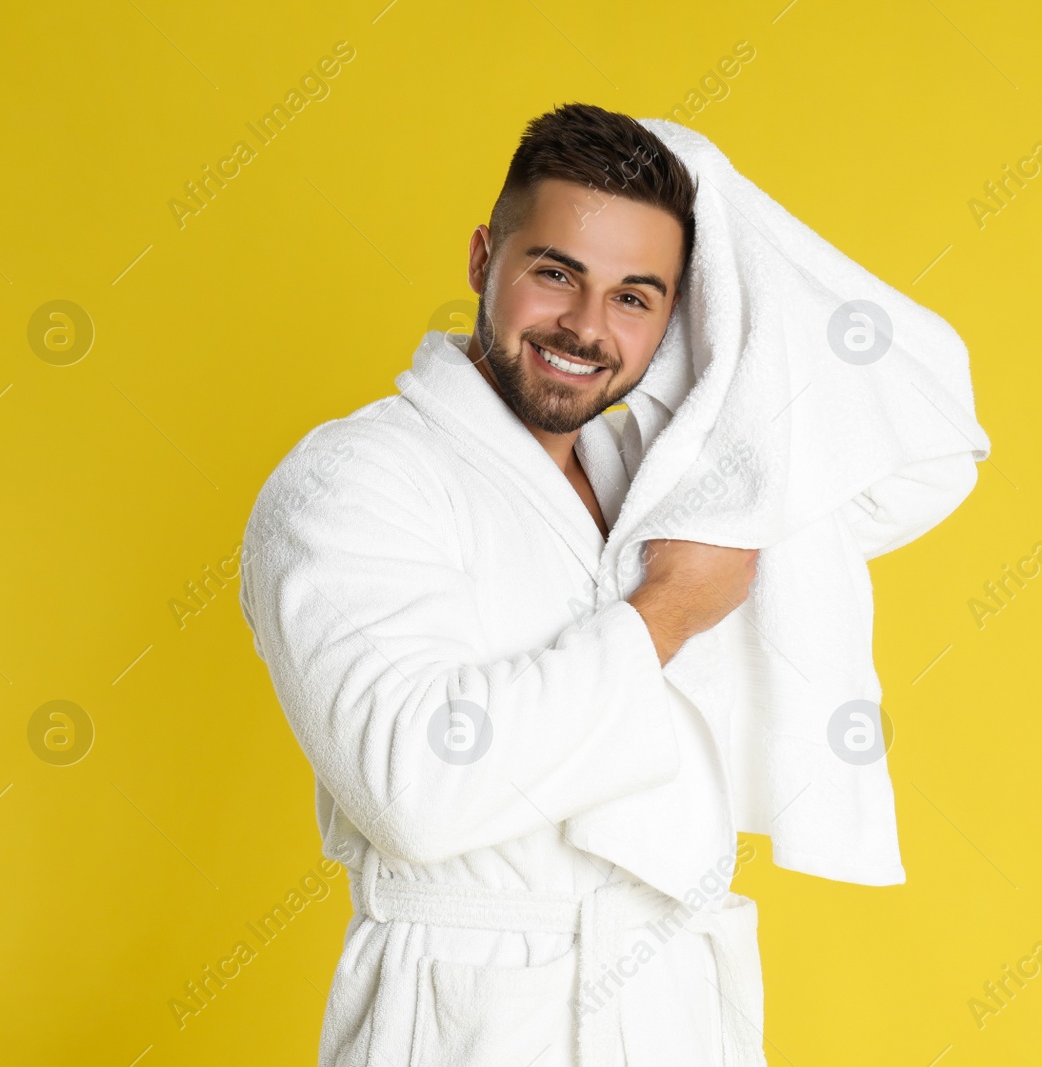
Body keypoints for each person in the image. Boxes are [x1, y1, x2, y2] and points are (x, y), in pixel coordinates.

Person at [239, 102, 766, 1067]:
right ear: (484, 260)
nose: (586, 326)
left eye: (635, 296)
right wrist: (661, 617)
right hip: (475, 1021)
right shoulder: (354, 478)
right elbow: (414, 786)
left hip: (669, 1018)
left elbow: (923, 443)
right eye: (556, 272)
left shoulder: (645, 483)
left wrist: (728, 212)